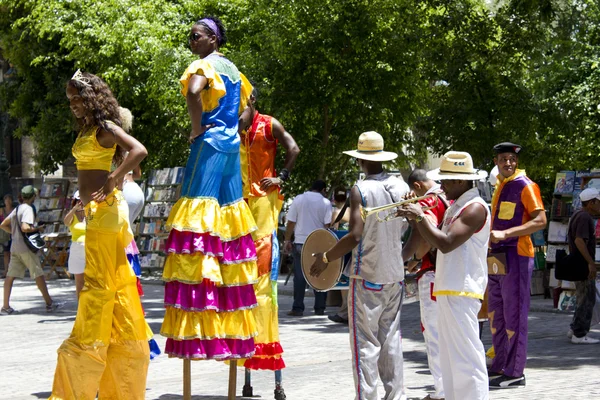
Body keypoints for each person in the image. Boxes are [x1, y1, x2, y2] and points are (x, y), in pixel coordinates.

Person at [160, 16, 258, 364]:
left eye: (196, 36)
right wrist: (235, 128)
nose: (192, 41)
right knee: (230, 215)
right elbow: (249, 108)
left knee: (196, 213)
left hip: (212, 144)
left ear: (213, 40)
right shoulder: (234, 70)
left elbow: (193, 89)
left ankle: (201, 292)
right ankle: (227, 289)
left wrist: (197, 126)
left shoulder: (203, 65)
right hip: (231, 148)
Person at [49, 70, 153, 399]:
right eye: (70, 101)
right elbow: (86, 175)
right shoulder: (88, 130)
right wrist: (82, 203)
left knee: (99, 288)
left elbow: (139, 150)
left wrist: (114, 178)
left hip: (107, 214)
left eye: (78, 99)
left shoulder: (106, 128)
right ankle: (110, 375)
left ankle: (89, 355)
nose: (74, 105)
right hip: (95, 213)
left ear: (93, 97)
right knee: (108, 288)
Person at [309, 131, 409, 400]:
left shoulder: (360, 190)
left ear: (360, 160)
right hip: (395, 275)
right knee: (390, 340)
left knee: (365, 343)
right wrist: (404, 257)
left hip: (367, 276)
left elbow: (354, 235)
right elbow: (416, 227)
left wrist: (326, 258)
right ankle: (396, 396)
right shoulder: (400, 186)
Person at [398, 151, 490, 400]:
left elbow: (446, 243)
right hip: (449, 286)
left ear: (461, 181)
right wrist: (414, 219)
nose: (441, 187)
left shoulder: (474, 208)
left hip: (462, 288)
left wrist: (419, 215)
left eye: (446, 181)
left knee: (467, 359)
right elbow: (434, 239)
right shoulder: (457, 207)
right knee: (450, 358)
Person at [238, 86, 299, 396]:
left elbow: (294, 149)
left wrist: (280, 177)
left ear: (252, 102)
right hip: (240, 204)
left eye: (242, 107)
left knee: (262, 276)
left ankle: (266, 351)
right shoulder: (234, 129)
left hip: (264, 204)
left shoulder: (269, 124)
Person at [487, 142, 546, 388]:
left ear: (516, 161)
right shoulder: (501, 185)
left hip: (517, 255)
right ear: (496, 162)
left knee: (515, 315)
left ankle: (515, 372)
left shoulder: (525, 185)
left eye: (512, 159)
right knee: (496, 314)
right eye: (503, 159)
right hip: (496, 256)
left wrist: (508, 233)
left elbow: (540, 220)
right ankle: (500, 364)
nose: (508, 163)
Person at [400, 169, 449, 400]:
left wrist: (415, 259)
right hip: (449, 273)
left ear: (417, 185)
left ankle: (441, 391)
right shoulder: (448, 195)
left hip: (432, 272)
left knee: (433, 334)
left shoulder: (429, 200)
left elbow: (426, 236)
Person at [1, 185, 59, 314]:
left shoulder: (17, 209)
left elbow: (3, 224)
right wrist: (38, 228)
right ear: (33, 196)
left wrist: (13, 234)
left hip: (15, 247)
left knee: (10, 276)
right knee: (38, 274)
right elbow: (25, 228)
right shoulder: (27, 209)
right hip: (26, 248)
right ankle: (49, 303)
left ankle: (5, 306)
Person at [284, 180, 332, 316]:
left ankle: (297, 308)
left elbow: (291, 222)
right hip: (319, 243)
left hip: (301, 242)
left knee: (299, 276)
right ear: (323, 189)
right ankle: (320, 308)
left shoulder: (299, 199)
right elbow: (327, 225)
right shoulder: (326, 203)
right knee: (320, 274)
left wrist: (287, 239)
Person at [566, 187, 599, 344]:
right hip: (582, 264)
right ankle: (579, 334)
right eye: (598, 202)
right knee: (587, 298)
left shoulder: (578, 214)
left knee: (582, 297)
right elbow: (580, 240)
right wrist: (590, 263)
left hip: (578, 263)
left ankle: (574, 329)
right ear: (591, 203)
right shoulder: (585, 217)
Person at [328, 187, 350, 324]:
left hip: (341, 245)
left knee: (343, 280)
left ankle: (344, 312)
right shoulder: (352, 211)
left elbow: (333, 231)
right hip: (352, 245)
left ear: (334, 199)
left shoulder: (337, 212)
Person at [64, 191, 86, 296]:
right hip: (77, 248)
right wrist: (74, 209)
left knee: (91, 280)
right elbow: (66, 222)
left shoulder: (90, 212)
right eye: (78, 200)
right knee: (79, 281)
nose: (81, 203)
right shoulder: (72, 215)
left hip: (90, 247)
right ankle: (80, 307)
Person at [1, 193, 14, 278]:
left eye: (9, 199)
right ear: (4, 201)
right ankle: (6, 270)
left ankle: (12, 271)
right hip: (4, 234)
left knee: (13, 252)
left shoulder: (14, 210)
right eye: (6, 200)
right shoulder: (2, 210)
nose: (8, 201)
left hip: (13, 233)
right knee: (6, 252)